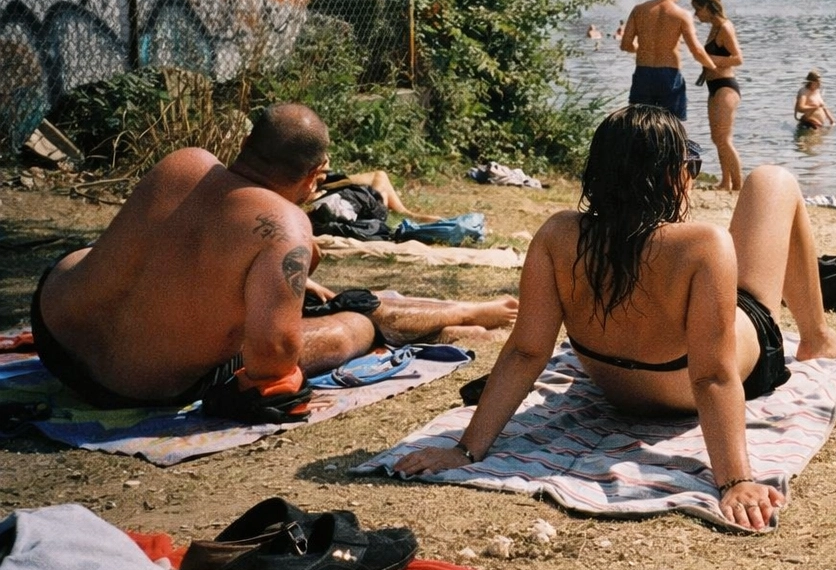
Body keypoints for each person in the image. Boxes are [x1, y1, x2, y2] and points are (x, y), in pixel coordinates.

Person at [393, 106, 836, 531]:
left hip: (617, 390)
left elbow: (525, 351)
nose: (692, 178)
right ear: (674, 176)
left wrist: (465, 449)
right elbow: (714, 376)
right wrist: (734, 479)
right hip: (700, 383)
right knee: (772, 180)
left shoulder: (557, 234)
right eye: (690, 166)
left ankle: (816, 334)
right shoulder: (702, 244)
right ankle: (815, 336)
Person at [31, 104, 518, 416]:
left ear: (246, 147)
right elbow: (271, 361)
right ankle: (465, 313)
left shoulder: (185, 161)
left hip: (56, 333)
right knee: (355, 319)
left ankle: (461, 312)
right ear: (317, 174)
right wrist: (289, 271)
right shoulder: (286, 227)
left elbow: (173, 244)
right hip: (136, 387)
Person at [619, 0, 716, 121]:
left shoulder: (639, 10)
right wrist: (712, 67)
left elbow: (625, 45)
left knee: (638, 124)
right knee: (672, 126)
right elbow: (696, 50)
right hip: (669, 74)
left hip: (643, 72)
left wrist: (642, 49)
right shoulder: (682, 15)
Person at [691, 0, 744, 192]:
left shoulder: (724, 27)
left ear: (707, 6)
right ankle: (725, 182)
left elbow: (738, 58)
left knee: (724, 138)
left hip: (725, 86)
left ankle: (738, 185)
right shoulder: (714, 27)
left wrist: (711, 60)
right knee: (716, 138)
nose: (696, 14)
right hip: (713, 86)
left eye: (697, 9)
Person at [312, 167, 437, 222]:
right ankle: (396, 212)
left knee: (380, 176)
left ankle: (403, 212)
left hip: (324, 185)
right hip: (321, 196)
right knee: (380, 190)